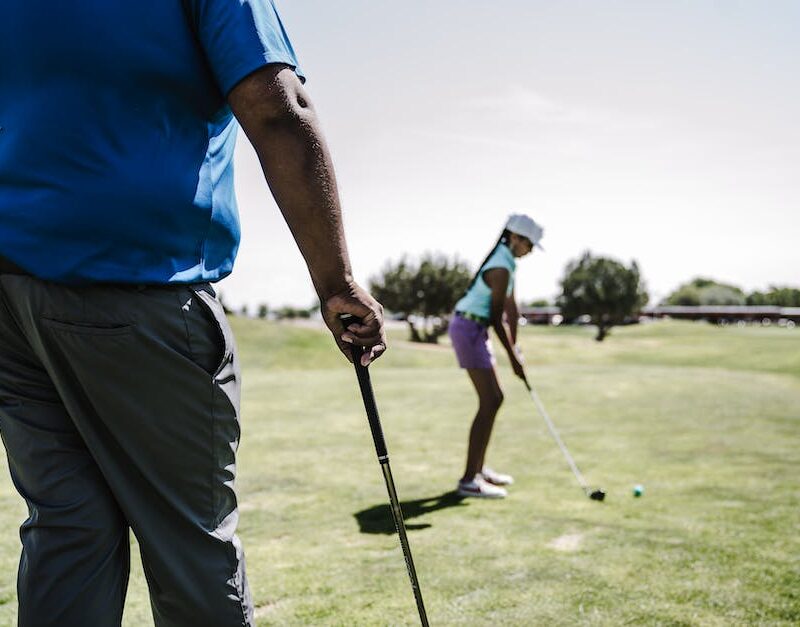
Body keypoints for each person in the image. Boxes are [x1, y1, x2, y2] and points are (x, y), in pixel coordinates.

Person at [0, 1, 385, 625]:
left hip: (11, 296)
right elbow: (278, 110)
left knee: (68, 532)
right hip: (135, 282)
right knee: (191, 545)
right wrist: (337, 283)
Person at [449, 214, 544, 498]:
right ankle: (469, 480)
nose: (529, 250)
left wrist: (516, 348)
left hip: (475, 329)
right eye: (528, 244)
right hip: (469, 327)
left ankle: (477, 470)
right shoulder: (501, 265)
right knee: (491, 398)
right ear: (514, 238)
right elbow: (494, 316)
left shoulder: (508, 263)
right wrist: (513, 358)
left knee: (494, 399)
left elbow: (511, 310)